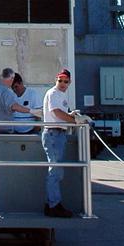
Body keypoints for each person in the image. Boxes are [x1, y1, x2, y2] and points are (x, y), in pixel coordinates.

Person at [42, 68, 79, 218]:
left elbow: (58, 114)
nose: (62, 83)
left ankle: (52, 203)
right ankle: (53, 205)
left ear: (69, 82)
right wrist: (74, 120)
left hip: (59, 133)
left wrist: (70, 116)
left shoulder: (61, 95)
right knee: (55, 170)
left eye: (65, 81)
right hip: (53, 133)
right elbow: (56, 112)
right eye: (60, 80)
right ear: (56, 80)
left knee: (57, 170)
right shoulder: (53, 93)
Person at [0, 68, 37, 134]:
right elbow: (14, 106)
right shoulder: (6, 92)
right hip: (3, 132)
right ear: (12, 78)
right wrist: (31, 111)